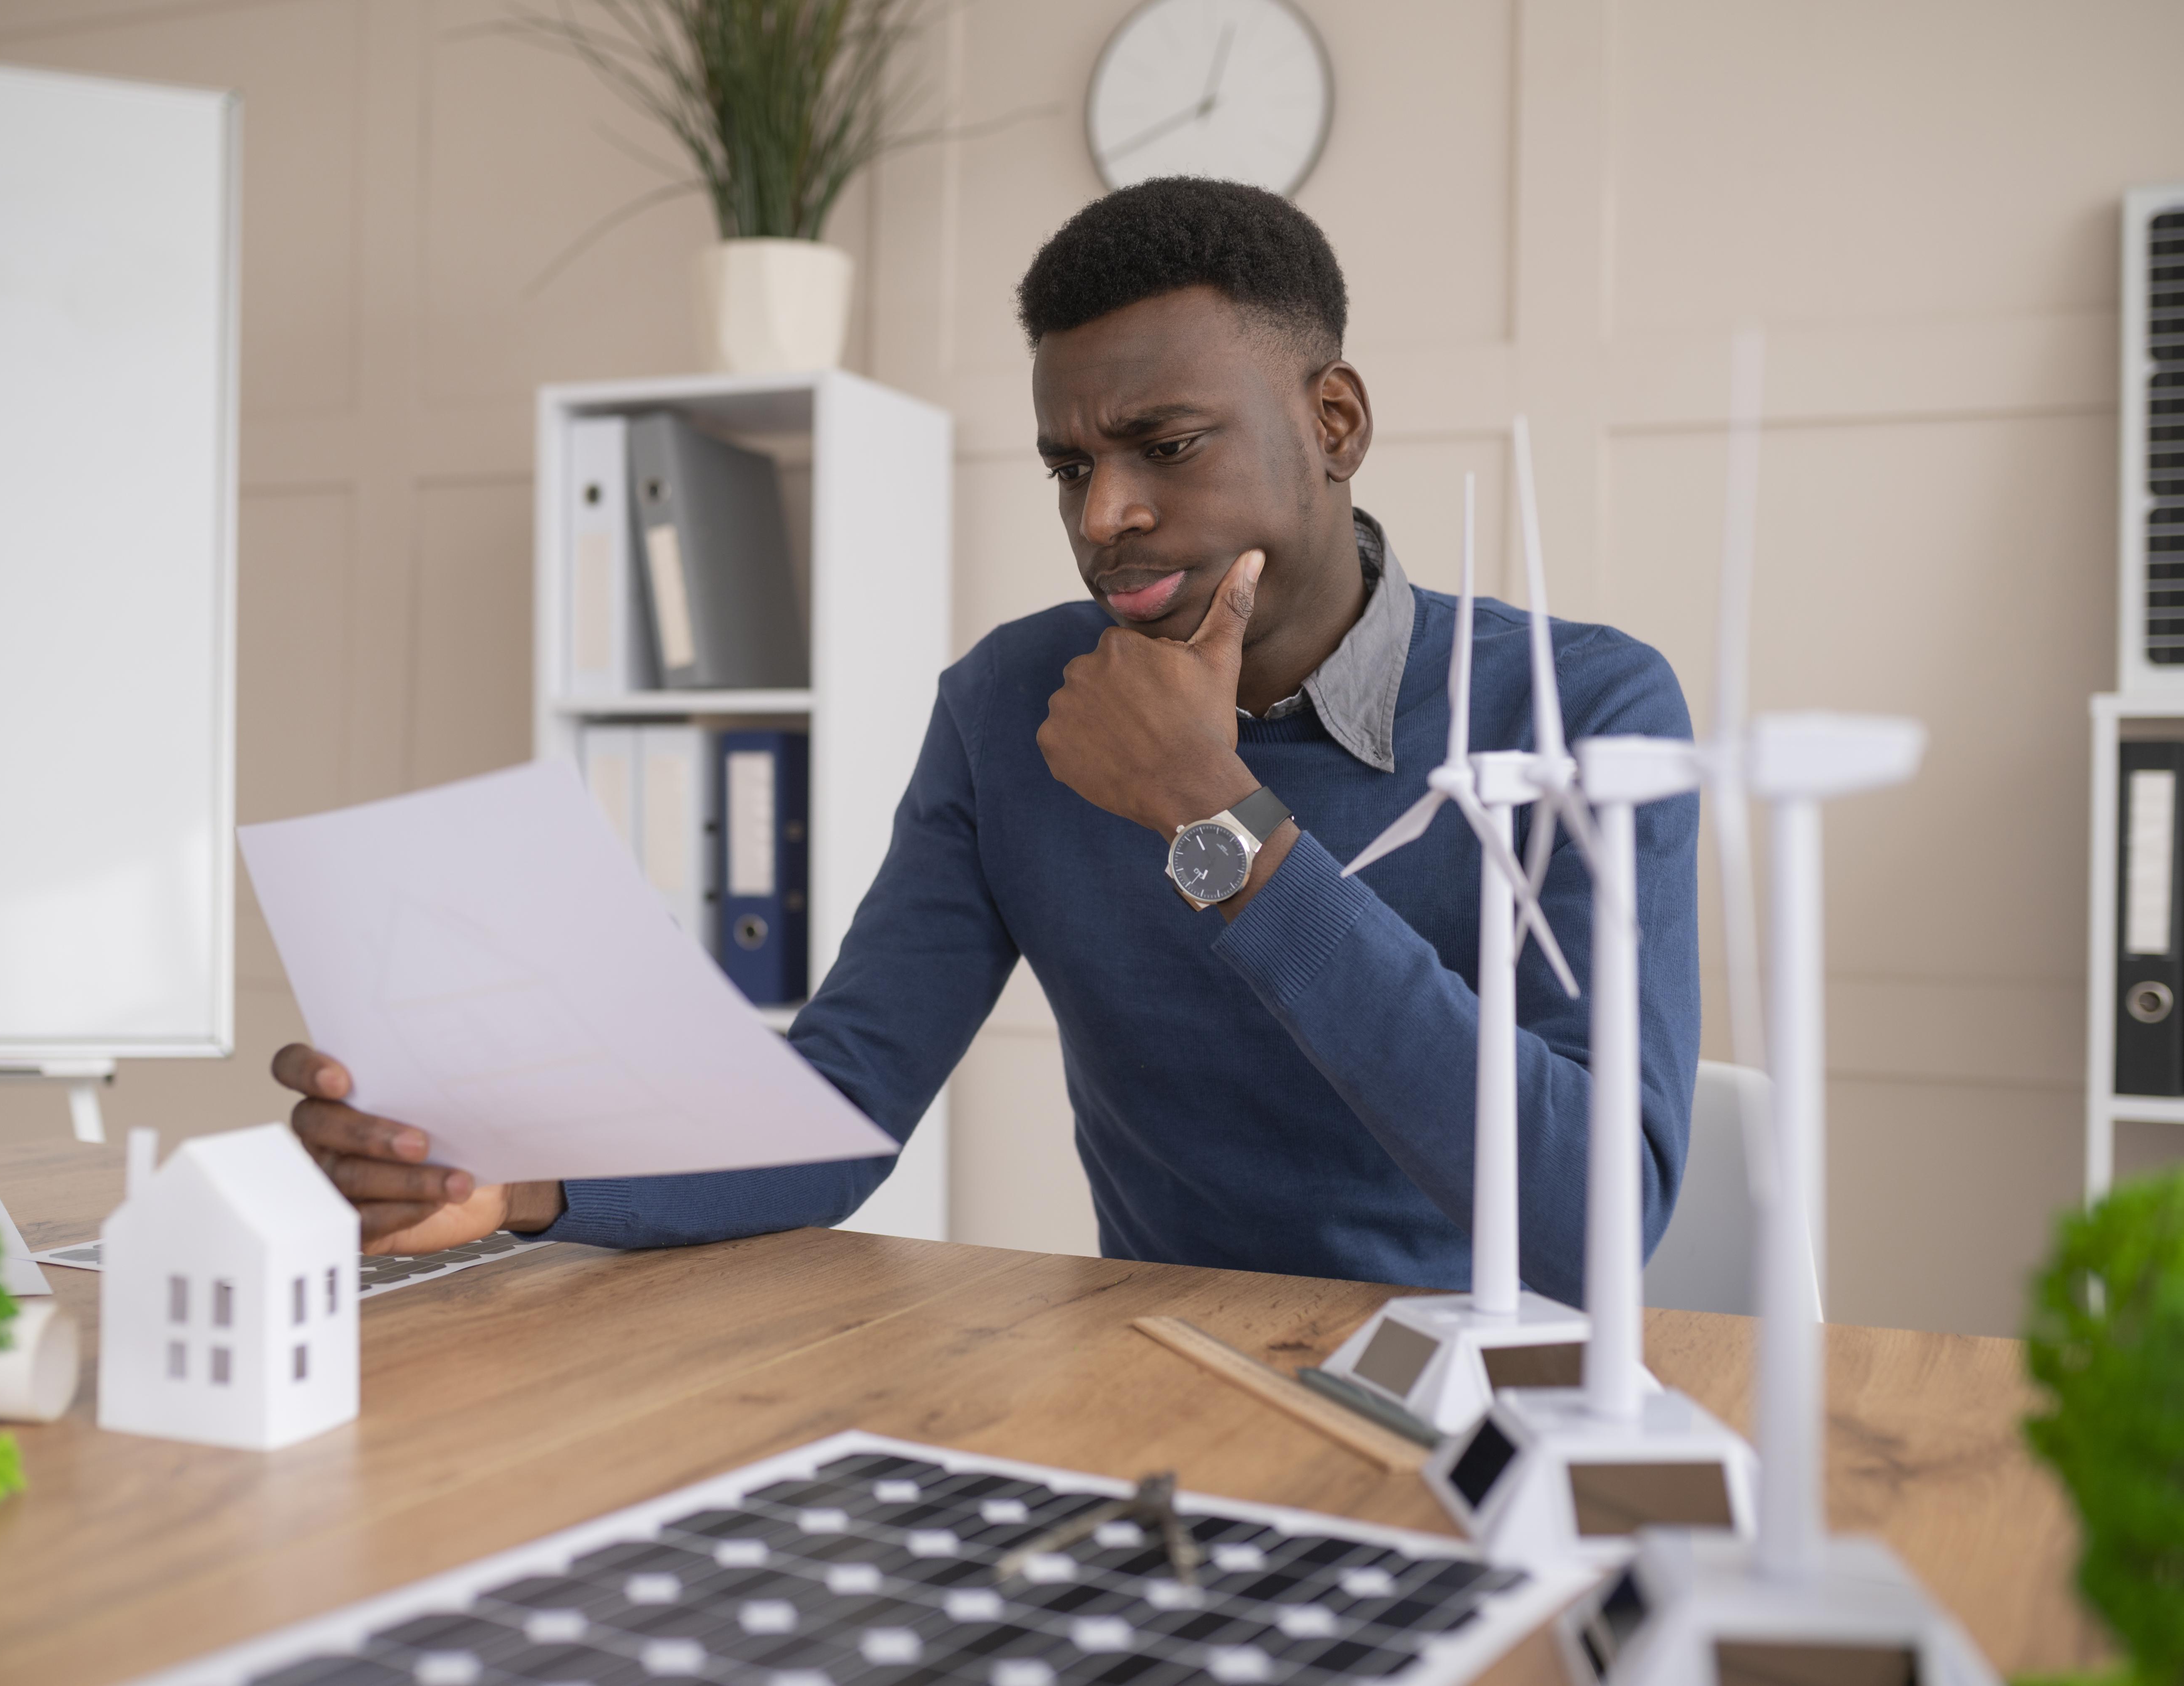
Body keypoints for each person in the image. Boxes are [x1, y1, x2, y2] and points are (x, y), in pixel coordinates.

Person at [272, 178, 1700, 1304]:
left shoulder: (1587, 713)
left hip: (1473, 1395)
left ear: (1333, 422)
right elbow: (840, 1107)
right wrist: (517, 1182)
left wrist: (1215, 815)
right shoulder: (1013, 705)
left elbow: (1592, 1226)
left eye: (1166, 446)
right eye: (1071, 467)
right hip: (1157, 1381)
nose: (1103, 517)